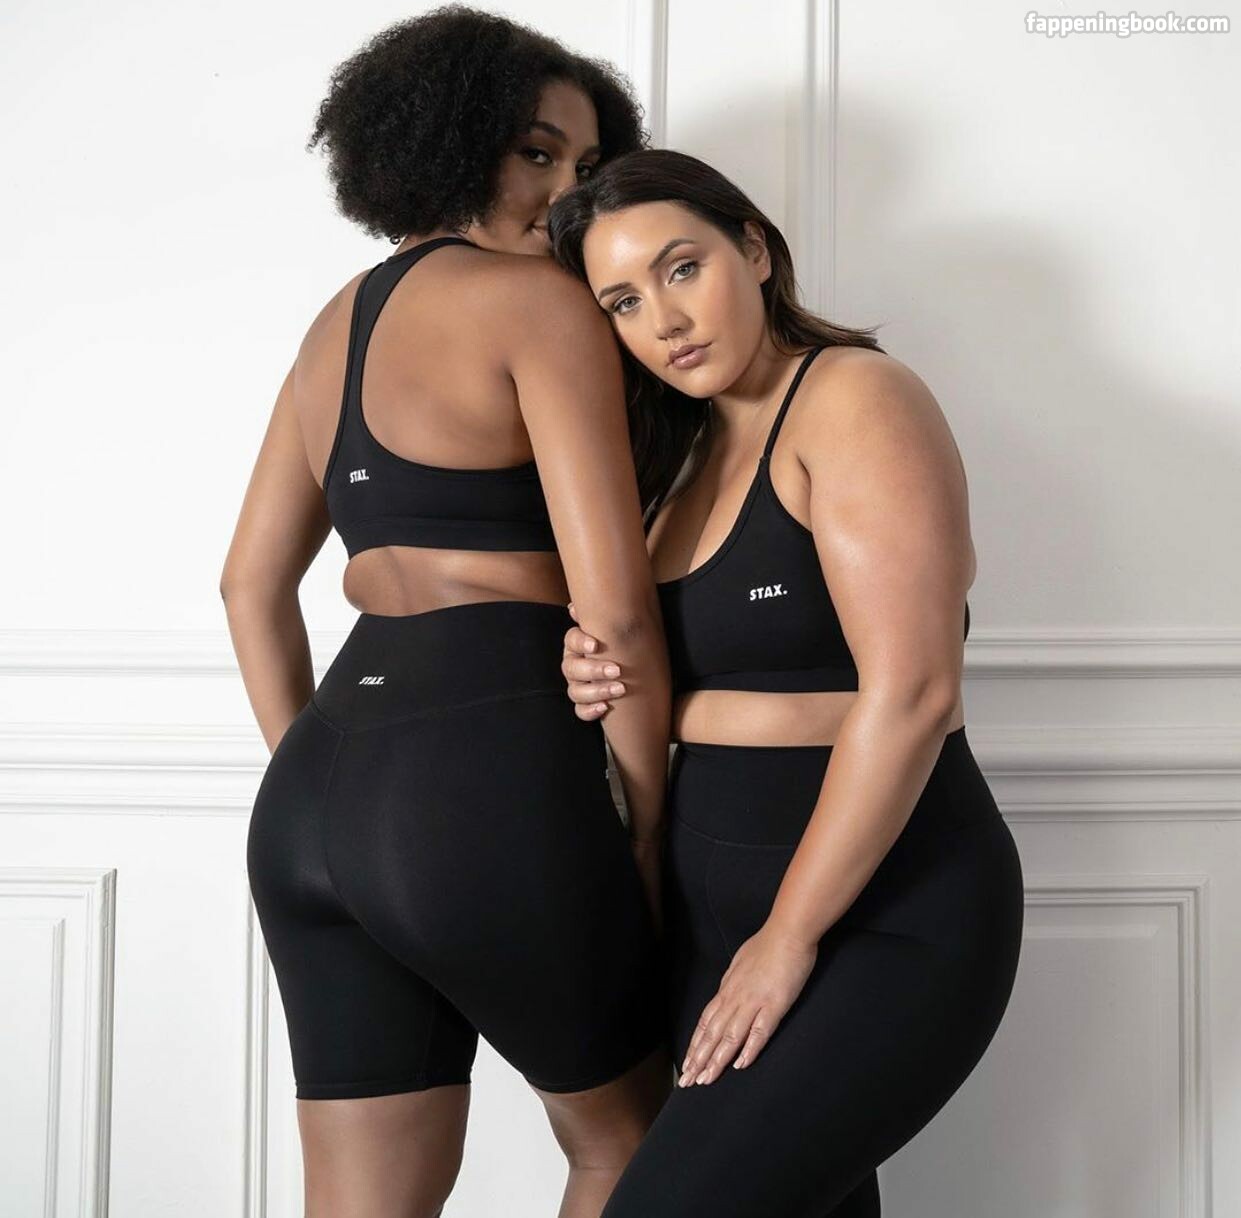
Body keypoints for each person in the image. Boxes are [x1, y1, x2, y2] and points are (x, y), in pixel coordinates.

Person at [220, 11, 675, 1217]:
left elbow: (246, 585)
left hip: (312, 803)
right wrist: (643, 826)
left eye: (586, 165)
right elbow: (615, 613)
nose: (564, 194)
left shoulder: (332, 324)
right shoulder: (539, 307)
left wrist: (339, 788)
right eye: (535, 153)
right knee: (633, 1152)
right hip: (487, 770)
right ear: (450, 140)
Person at [546, 148, 1025, 1216]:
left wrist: (787, 937)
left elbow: (914, 693)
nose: (665, 320)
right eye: (623, 302)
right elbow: (696, 677)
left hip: (882, 910)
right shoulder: (674, 460)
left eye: (681, 268)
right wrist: (599, 669)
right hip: (710, 912)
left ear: (754, 250)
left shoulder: (855, 398)